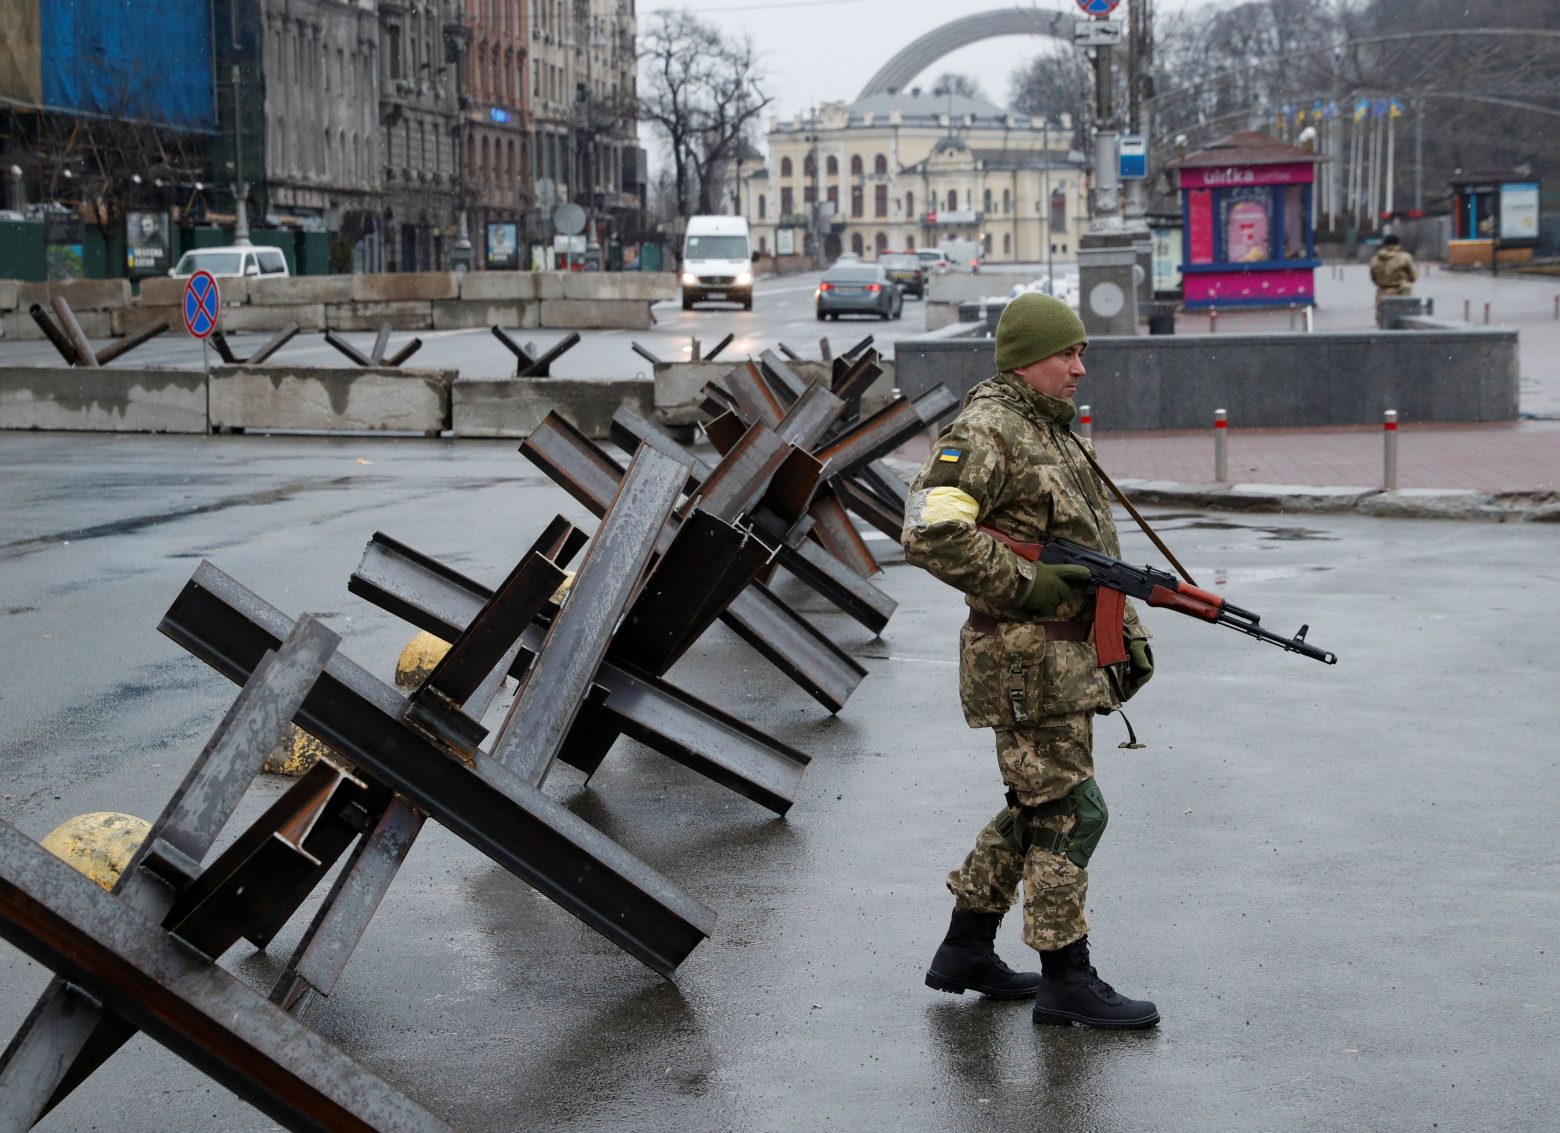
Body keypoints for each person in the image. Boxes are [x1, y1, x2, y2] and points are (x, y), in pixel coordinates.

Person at [902, 292, 1159, 1030]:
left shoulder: (1047, 429)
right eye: (1067, 354)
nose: (1080, 367)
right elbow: (929, 529)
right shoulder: (986, 430)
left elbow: (1087, 561)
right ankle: (1066, 975)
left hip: (1057, 660)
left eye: (1081, 352)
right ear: (1025, 359)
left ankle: (965, 947)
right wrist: (1026, 583)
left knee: (1037, 805)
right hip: (1022, 663)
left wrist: (1124, 633)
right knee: (1073, 810)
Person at [1369, 233, 1417, 324]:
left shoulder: (1375, 259)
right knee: (1402, 322)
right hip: (1401, 293)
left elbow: (1373, 278)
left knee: (1383, 322)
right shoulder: (1405, 257)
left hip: (1382, 294)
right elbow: (1414, 277)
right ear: (1398, 244)